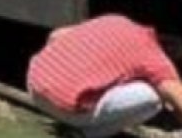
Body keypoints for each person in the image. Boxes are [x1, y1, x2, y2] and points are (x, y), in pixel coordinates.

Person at [28, 14, 182, 138]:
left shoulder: (115, 20)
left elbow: (55, 35)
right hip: (66, 107)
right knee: (154, 98)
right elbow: (178, 98)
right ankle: (85, 134)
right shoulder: (155, 58)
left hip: (35, 86)